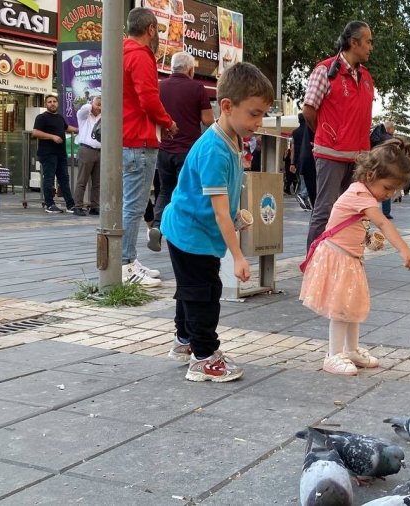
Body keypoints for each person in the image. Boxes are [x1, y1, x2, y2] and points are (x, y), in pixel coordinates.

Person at [160, 62, 275, 383]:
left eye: (262, 113)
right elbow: (219, 211)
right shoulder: (215, 150)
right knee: (205, 292)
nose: (259, 121)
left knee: (192, 289)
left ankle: (185, 341)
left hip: (194, 229)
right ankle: (204, 357)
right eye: (254, 113)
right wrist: (237, 255)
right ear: (227, 106)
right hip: (189, 232)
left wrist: (238, 215)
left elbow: (224, 202)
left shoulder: (232, 139)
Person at [300, 139, 410, 375]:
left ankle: (351, 349)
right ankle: (333, 355)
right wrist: (404, 249)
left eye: (394, 190)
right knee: (341, 308)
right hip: (338, 258)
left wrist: (368, 240)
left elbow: (354, 226)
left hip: (349, 259)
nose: (390, 194)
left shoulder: (365, 195)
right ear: (371, 175)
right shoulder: (359, 194)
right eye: (387, 187)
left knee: (351, 307)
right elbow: (383, 222)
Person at [303, 20, 375, 248]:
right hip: (331, 155)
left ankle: (342, 264)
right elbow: (308, 110)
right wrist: (330, 135)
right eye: (368, 42)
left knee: (353, 214)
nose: (371, 47)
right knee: (324, 211)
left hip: (359, 158)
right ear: (354, 43)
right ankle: (312, 267)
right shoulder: (324, 70)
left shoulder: (366, 77)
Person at [121, 7, 178, 287]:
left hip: (125, 137)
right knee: (134, 205)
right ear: (151, 29)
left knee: (128, 205)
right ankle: (125, 264)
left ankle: (126, 260)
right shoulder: (140, 56)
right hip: (140, 138)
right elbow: (148, 100)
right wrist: (168, 122)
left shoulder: (120, 51)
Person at [147, 51, 214, 253]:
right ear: (191, 70)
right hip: (188, 151)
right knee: (187, 191)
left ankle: (157, 226)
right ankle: (182, 235)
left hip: (164, 149)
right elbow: (208, 120)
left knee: (165, 191)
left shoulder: (160, 86)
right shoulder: (197, 88)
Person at [32, 96, 78, 213]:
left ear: (57, 103)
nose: (52, 104)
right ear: (46, 104)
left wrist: (80, 129)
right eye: (49, 102)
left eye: (54, 101)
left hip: (60, 153)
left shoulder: (59, 117)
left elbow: (67, 128)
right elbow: (35, 132)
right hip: (47, 153)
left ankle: (70, 205)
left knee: (64, 179)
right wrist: (52, 137)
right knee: (49, 178)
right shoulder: (41, 117)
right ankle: (50, 204)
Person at [73, 96, 102, 216]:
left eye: (102, 105)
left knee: (97, 182)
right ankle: (78, 206)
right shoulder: (84, 116)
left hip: (100, 150)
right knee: (82, 180)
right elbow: (83, 109)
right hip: (86, 149)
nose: (100, 108)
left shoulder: (103, 117)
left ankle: (95, 206)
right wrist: (92, 104)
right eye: (98, 105)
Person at [291, 112, 315, 210]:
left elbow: (292, 148)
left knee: (303, 181)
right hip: (309, 158)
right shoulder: (309, 130)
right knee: (308, 182)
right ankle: (303, 195)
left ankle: (306, 203)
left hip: (298, 160)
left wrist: (292, 163)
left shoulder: (295, 132)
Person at [375, 120, 397, 219]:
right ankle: (386, 212)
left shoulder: (378, 138)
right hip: (388, 167)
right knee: (387, 189)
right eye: (393, 128)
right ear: (389, 128)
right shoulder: (391, 140)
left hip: (376, 165)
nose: (394, 130)